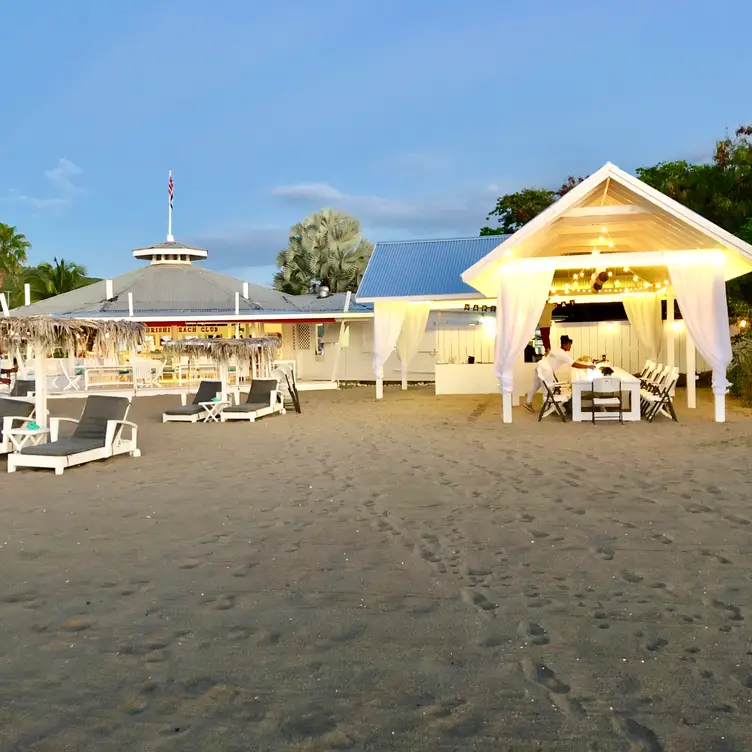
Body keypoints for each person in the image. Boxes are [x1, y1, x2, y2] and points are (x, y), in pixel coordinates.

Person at [523, 335, 592, 412]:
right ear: (564, 345)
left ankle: (528, 402)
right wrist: (588, 366)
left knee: (535, 385)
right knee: (548, 390)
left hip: (539, 365)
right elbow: (574, 364)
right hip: (546, 369)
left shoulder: (556, 350)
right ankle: (546, 409)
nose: (570, 347)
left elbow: (570, 362)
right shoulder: (563, 354)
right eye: (569, 345)